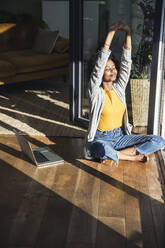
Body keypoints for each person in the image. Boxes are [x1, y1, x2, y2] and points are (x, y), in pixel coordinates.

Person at [84, 21, 165, 167]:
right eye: (107, 68)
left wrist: (128, 33)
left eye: (113, 67)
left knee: (159, 141)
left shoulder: (119, 88)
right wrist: (110, 34)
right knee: (99, 149)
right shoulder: (95, 92)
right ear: (100, 71)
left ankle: (120, 154)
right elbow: (99, 64)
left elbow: (126, 63)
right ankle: (132, 156)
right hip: (101, 139)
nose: (112, 70)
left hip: (120, 137)